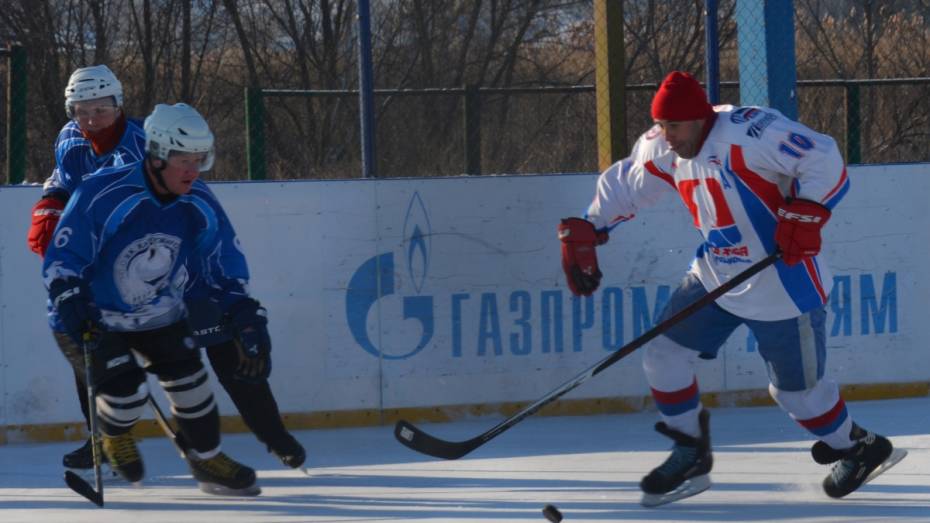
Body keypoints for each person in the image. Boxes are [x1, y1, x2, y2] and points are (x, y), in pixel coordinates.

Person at [558, 71, 903, 506]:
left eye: (675, 127)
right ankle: (690, 451)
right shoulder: (662, 146)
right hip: (716, 274)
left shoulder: (750, 132)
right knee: (664, 355)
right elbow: (627, 182)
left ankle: (857, 447)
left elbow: (823, 157)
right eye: (661, 126)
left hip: (784, 281)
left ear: (700, 119)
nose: (667, 137)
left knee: (797, 396)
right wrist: (591, 226)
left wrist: (809, 210)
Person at [27, 65, 305, 475]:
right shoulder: (70, 139)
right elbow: (70, 187)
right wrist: (52, 206)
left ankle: (274, 435)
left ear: (118, 106)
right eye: (80, 109)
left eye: (100, 109)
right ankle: (100, 438)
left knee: (226, 347)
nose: (90, 119)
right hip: (115, 270)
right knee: (89, 340)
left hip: (177, 268)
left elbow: (181, 210)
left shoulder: (146, 146)